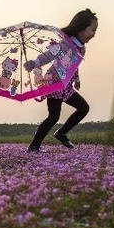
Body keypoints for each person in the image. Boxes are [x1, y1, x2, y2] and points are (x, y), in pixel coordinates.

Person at [24, 9, 98, 152]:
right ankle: (34, 146)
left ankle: (62, 133)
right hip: (55, 82)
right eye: (92, 30)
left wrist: (76, 79)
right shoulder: (65, 44)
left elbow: (74, 65)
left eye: (95, 31)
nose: (93, 34)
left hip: (67, 86)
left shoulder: (82, 49)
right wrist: (34, 63)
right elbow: (48, 56)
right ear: (81, 28)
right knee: (53, 116)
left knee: (83, 108)